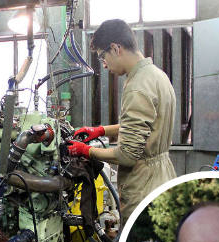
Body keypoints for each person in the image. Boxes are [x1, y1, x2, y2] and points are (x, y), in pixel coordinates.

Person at [66, 19, 177, 223]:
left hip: (144, 187)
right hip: (162, 178)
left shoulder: (137, 87)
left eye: (102, 56)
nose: (104, 64)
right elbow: (147, 125)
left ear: (116, 48)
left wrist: (85, 151)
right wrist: (100, 131)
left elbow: (127, 155)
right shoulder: (156, 76)